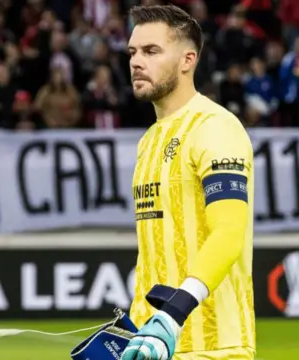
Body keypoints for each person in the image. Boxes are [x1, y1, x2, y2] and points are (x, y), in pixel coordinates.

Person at [122, 4, 255, 360]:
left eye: (151, 51)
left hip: (213, 347)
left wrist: (174, 312)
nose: (136, 61)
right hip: (156, 344)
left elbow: (229, 233)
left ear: (187, 60)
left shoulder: (215, 127)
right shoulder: (149, 140)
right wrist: (136, 325)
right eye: (133, 52)